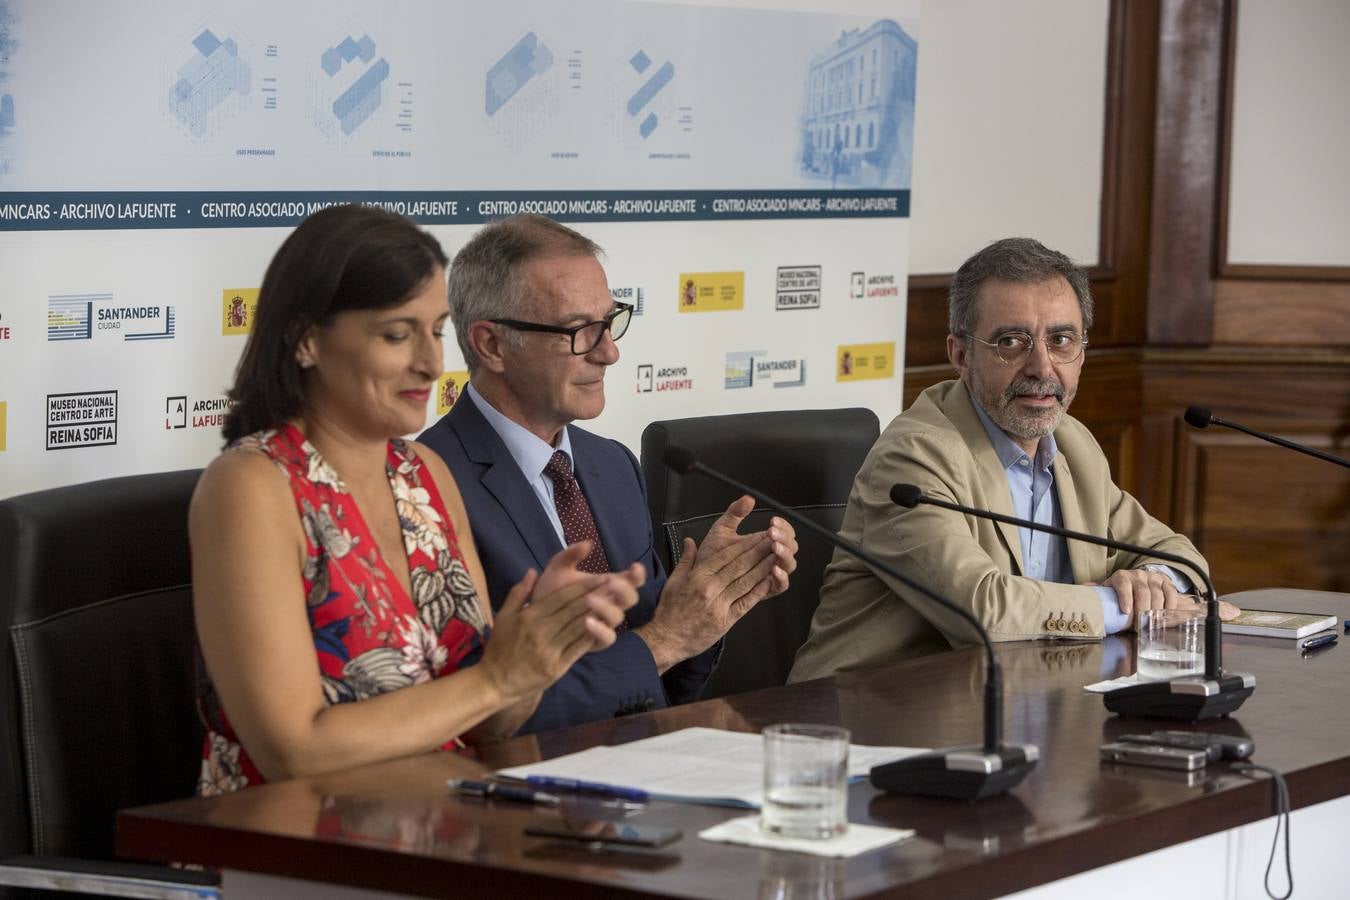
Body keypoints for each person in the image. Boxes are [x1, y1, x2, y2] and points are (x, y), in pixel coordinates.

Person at [191, 205, 637, 795]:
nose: (431, 364)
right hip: (295, 850)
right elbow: (292, 752)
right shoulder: (251, 485)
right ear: (306, 341)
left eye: (434, 331)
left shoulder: (425, 474)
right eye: (398, 335)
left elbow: (488, 727)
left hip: (448, 824)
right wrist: (494, 679)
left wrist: (539, 648)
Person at [419, 214, 799, 732]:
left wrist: (708, 602)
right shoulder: (425, 487)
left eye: (611, 320)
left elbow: (659, 686)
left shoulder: (612, 465)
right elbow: (482, 716)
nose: (610, 351)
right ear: (491, 346)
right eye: (579, 330)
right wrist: (667, 637)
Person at [791, 237, 1230, 682]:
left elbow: (1180, 557)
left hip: (1019, 700)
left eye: (1061, 340)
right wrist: (1122, 607)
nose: (1042, 367)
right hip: (869, 719)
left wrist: (1151, 584)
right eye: (1012, 341)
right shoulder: (913, 458)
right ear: (961, 355)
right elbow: (983, 610)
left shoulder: (1072, 444)